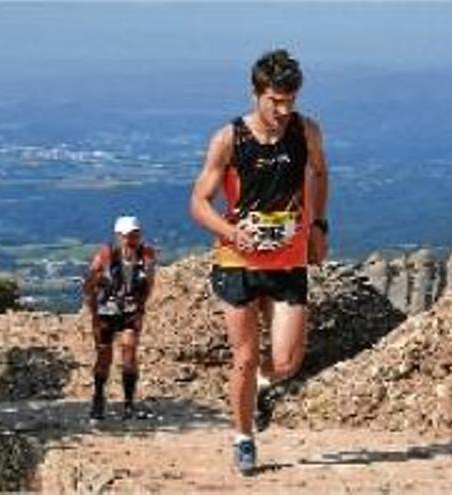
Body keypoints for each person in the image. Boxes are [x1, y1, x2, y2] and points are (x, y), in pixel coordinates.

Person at [189, 48, 329, 476]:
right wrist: (231, 232)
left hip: (287, 261)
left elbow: (320, 174)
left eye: (291, 100)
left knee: (287, 360)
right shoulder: (229, 139)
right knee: (245, 358)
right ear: (256, 94)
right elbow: (198, 202)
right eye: (275, 101)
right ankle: (244, 437)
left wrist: (318, 226)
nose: (284, 109)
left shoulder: (306, 132)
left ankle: (258, 389)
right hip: (238, 261)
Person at [82, 215, 157, 421]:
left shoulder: (146, 255)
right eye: (126, 235)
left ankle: (129, 403)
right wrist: (93, 312)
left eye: (134, 234)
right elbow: (89, 286)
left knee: (129, 349)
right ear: (118, 236)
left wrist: (141, 305)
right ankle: (98, 397)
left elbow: (149, 282)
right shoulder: (105, 256)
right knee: (104, 357)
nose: (130, 239)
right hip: (106, 311)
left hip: (130, 311)